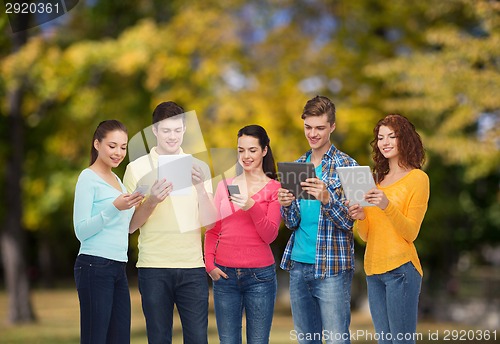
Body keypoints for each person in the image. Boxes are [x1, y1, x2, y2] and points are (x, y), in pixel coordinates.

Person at [123, 101, 215, 344]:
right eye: (166, 130)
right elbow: (129, 226)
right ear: (154, 130)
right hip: (153, 267)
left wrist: (201, 190)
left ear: (184, 129)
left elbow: (210, 223)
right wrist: (151, 201)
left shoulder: (200, 167)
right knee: (159, 338)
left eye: (177, 130)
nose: (172, 136)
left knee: (197, 339)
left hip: (192, 267)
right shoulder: (136, 168)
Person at [278, 95, 358, 344]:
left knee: (336, 340)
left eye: (320, 128)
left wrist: (327, 198)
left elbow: (352, 222)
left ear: (332, 127)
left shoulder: (349, 166)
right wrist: (287, 204)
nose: (313, 134)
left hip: (332, 269)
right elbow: (292, 222)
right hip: (299, 267)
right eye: (308, 127)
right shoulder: (297, 166)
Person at [347, 114, 429, 344]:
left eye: (392, 136)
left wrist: (386, 205)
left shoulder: (418, 179)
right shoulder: (375, 181)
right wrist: (360, 216)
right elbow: (366, 235)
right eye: (381, 137)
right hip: (374, 272)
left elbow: (410, 232)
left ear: (406, 139)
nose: (385, 142)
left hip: (401, 271)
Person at [204, 125, 281, 344]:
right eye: (241, 150)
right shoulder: (225, 186)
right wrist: (209, 263)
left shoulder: (275, 188)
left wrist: (251, 205)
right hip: (225, 277)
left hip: (260, 278)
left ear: (264, 150)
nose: (246, 156)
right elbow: (213, 229)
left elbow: (270, 235)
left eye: (252, 150)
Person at [73, 120, 144, 344]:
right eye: (112, 146)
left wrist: (149, 203)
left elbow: (129, 227)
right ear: (97, 144)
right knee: (95, 338)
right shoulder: (87, 178)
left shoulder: (119, 182)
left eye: (123, 147)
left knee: (120, 338)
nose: (118, 152)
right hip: (94, 265)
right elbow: (81, 230)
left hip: (118, 267)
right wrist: (114, 207)